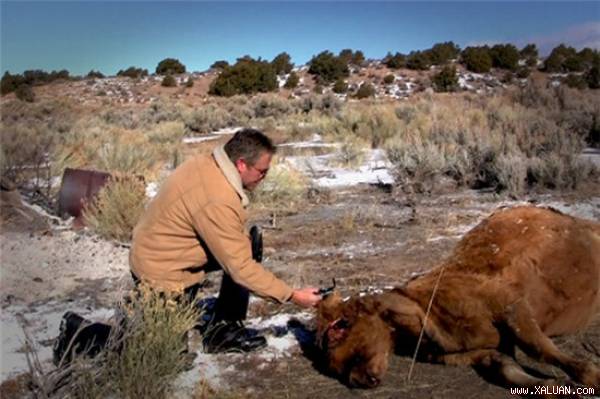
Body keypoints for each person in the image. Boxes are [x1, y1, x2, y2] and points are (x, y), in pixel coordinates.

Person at [129, 128, 321, 353]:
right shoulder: (218, 198)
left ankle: (222, 331)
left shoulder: (209, 163)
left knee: (246, 244)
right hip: (161, 272)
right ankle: (82, 330)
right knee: (160, 355)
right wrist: (293, 295)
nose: (264, 177)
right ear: (241, 164)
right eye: (262, 171)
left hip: (169, 252)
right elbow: (240, 268)